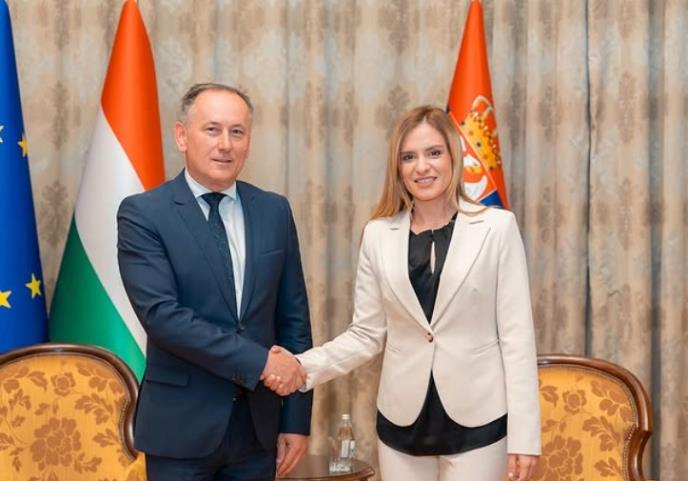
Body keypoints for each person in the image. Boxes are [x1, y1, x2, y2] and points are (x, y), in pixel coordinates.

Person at [266, 106, 541, 481]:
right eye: (408, 157)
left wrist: (525, 438)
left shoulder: (497, 228)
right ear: (397, 167)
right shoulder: (378, 235)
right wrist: (302, 367)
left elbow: (517, 339)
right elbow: (366, 334)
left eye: (433, 153)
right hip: (401, 423)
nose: (421, 167)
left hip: (480, 421)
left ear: (453, 156)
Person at [117, 82, 312, 481]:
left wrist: (295, 419)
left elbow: (293, 319)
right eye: (212, 129)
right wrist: (260, 362)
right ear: (181, 136)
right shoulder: (144, 214)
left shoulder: (274, 210)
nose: (226, 144)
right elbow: (163, 316)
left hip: (258, 430)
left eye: (237, 132)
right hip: (180, 429)